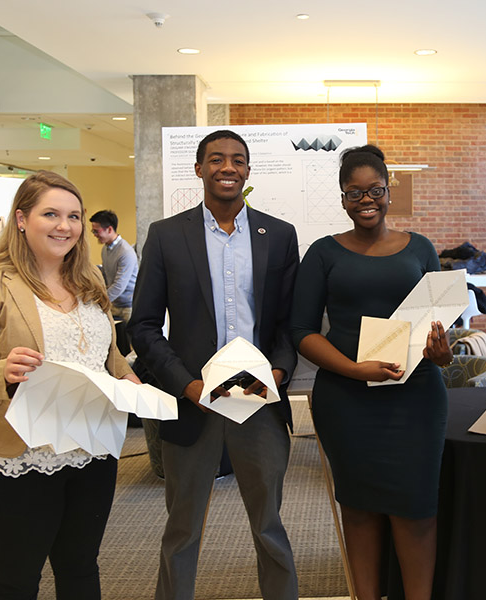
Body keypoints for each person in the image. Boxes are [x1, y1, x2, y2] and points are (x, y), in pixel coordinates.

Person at [0, 171, 140, 599]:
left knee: (80, 571)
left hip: (91, 450)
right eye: (50, 213)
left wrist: (126, 376)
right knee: (17, 581)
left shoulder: (88, 280)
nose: (63, 226)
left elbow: (104, 352)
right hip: (18, 457)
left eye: (73, 216)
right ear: (21, 219)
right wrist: (4, 371)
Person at [129, 130, 300, 600]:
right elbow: (143, 326)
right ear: (200, 169)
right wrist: (186, 385)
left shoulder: (279, 235)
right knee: (183, 526)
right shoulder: (167, 235)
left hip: (259, 400)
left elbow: (289, 323)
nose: (228, 167)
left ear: (248, 171)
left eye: (238, 160)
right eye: (217, 159)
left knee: (269, 523)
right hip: (194, 400)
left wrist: (278, 374)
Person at [291, 145, 453, 600]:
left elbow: (436, 327)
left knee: (417, 509)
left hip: (416, 398)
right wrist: (355, 369)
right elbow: (300, 330)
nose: (367, 200)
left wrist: (441, 355)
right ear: (342, 198)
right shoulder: (323, 254)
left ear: (388, 192)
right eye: (354, 192)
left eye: (375, 190)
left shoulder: (420, 247)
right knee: (359, 509)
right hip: (347, 401)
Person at [89, 209, 138, 323]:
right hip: (114, 303)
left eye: (96, 231)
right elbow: (106, 276)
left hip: (129, 307)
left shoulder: (125, 252)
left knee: (132, 340)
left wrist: (101, 301)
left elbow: (119, 285)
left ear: (109, 229)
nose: (95, 235)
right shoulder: (105, 249)